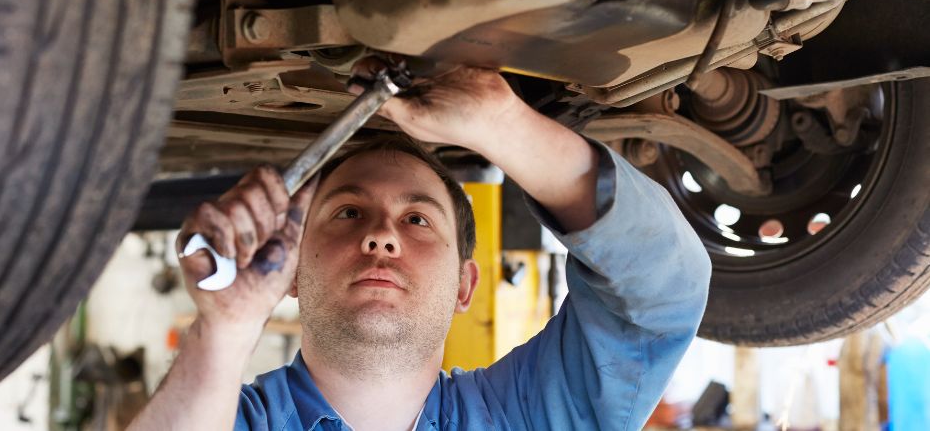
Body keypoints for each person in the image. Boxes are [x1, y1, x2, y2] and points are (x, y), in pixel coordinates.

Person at [129, 58, 712, 430]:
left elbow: (664, 288)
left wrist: (504, 124)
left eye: (417, 221)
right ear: (293, 276)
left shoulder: (525, 416)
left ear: (465, 285)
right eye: (349, 212)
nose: (380, 236)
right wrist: (224, 329)